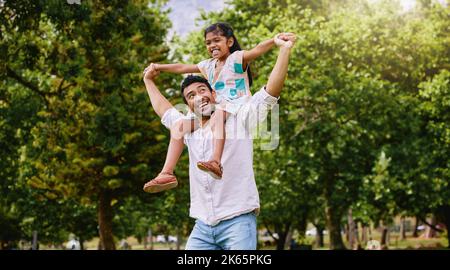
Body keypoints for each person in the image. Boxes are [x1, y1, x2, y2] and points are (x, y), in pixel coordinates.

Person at [142, 33, 295, 249]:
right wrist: (148, 79)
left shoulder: (239, 118)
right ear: (188, 105)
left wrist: (284, 50)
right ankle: (166, 173)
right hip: (202, 226)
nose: (198, 97)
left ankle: (215, 161)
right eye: (191, 96)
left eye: (202, 90)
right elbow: (163, 110)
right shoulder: (189, 129)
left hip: (238, 221)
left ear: (214, 94)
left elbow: (271, 91)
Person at [143, 22, 288, 193]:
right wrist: (159, 67)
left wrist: (274, 40)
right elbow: (182, 67)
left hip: (236, 106)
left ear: (230, 42)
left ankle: (215, 161)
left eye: (216, 40)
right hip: (217, 109)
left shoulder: (236, 59)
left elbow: (257, 50)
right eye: (208, 43)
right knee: (179, 127)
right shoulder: (208, 65)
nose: (212, 45)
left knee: (218, 115)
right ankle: (166, 172)